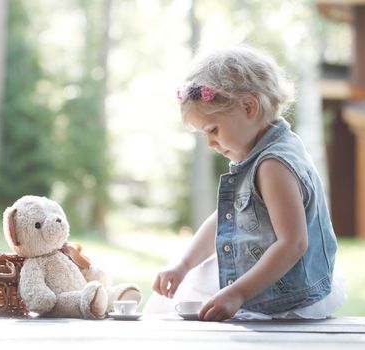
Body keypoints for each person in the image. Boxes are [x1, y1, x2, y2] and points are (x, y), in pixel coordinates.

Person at [146, 45, 346, 321]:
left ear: (248, 107)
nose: (211, 143)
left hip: (283, 290)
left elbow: (293, 243)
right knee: (184, 289)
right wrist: (183, 265)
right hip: (265, 273)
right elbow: (225, 219)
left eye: (213, 130)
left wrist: (238, 293)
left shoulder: (273, 165)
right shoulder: (261, 152)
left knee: (178, 305)